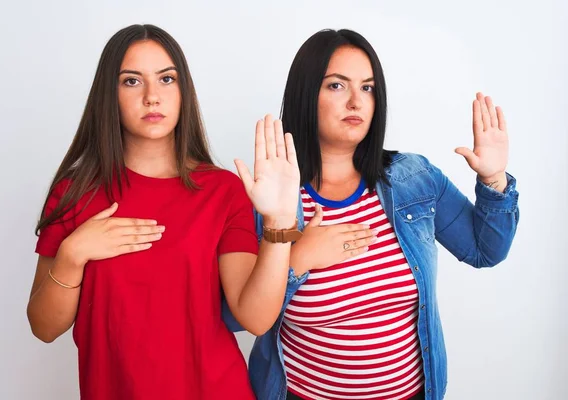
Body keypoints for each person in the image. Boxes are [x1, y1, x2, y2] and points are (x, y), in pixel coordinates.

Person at [26, 24, 301, 400]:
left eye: (166, 79)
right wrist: (73, 255)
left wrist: (278, 222)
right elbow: (43, 326)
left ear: (183, 91)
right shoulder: (73, 194)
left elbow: (255, 317)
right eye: (131, 81)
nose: (152, 96)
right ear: (109, 95)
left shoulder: (222, 191)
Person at [246, 28, 520, 400]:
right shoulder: (269, 199)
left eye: (368, 88)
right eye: (337, 86)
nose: (357, 102)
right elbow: (238, 317)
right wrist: (299, 258)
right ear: (306, 94)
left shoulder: (414, 179)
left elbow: (485, 251)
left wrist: (493, 179)